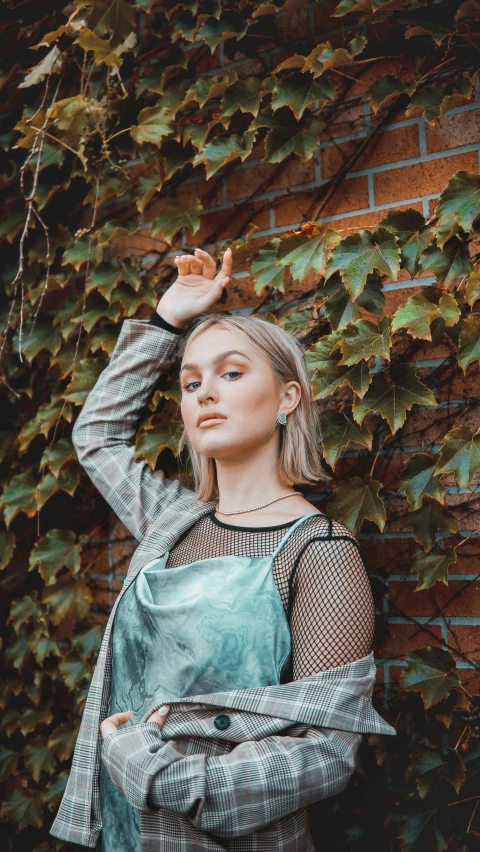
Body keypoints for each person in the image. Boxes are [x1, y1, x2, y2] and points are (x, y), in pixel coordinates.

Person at [50, 246, 396, 851]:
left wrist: (166, 775)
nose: (206, 392)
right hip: (123, 832)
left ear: (287, 399)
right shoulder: (173, 522)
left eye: (231, 373)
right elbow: (97, 436)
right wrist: (165, 323)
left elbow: (324, 751)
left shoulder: (317, 551)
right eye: (192, 381)